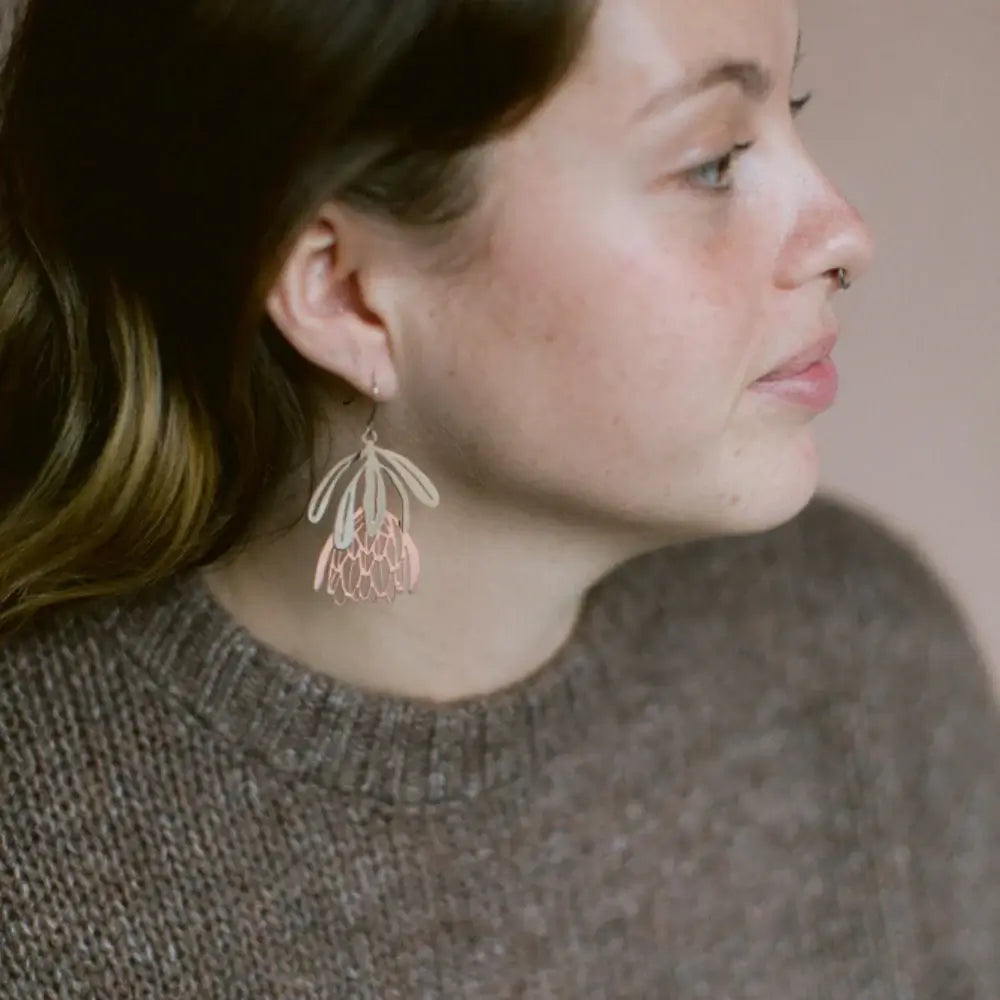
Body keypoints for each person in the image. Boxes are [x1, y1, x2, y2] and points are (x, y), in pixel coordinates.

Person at [1, 0, 998, 994]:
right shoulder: (31, 845)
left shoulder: (863, 655)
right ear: (348, 296)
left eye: (796, 105)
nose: (845, 236)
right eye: (715, 161)